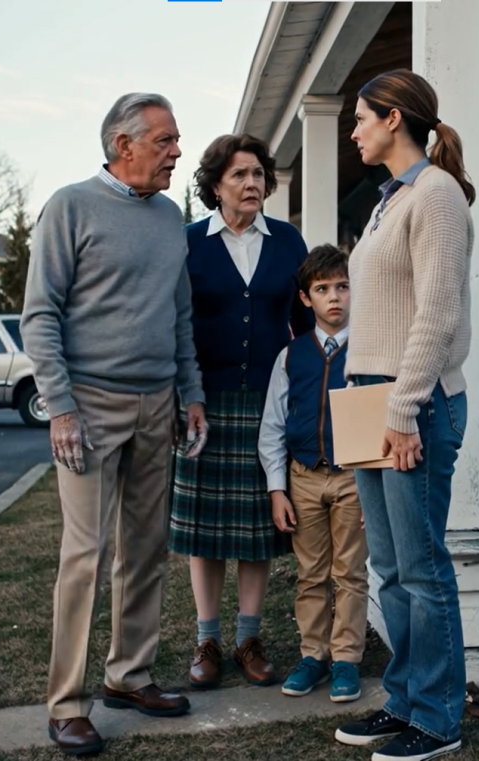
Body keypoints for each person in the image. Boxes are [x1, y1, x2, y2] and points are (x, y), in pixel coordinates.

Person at [21, 92, 207, 757]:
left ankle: (129, 675)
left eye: (177, 140)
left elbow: (178, 314)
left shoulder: (169, 216)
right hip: (90, 406)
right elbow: (40, 315)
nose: (177, 152)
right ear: (123, 145)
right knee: (86, 554)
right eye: (165, 141)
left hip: (157, 404)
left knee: (147, 547)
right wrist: (61, 407)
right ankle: (67, 704)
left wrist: (190, 393)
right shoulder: (70, 207)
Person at [333, 69, 475, 761]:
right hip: (370, 399)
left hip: (410, 401)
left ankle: (439, 718)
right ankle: (404, 701)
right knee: (388, 569)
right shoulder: (388, 202)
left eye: (361, 118)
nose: (354, 132)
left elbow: (437, 313)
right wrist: (366, 398)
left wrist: (403, 406)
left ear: (394, 118)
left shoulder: (436, 194)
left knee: (421, 568)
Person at [169, 133, 314, 689]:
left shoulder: (287, 240)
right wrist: (184, 395)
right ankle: (207, 639)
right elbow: (175, 322)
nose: (252, 183)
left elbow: (305, 322)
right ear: (215, 186)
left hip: (269, 404)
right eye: (239, 175)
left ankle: (249, 638)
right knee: (204, 531)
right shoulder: (188, 242)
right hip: (203, 405)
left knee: (258, 527)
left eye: (258, 174)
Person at [258, 244, 368, 704]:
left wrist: (374, 488)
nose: (334, 297)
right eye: (322, 289)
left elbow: (380, 420)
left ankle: (346, 659)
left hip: (353, 479)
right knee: (311, 574)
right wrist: (277, 489)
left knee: (350, 573)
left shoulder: (369, 350)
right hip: (303, 476)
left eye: (342, 286)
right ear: (306, 298)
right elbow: (272, 425)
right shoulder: (291, 356)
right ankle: (313, 655)